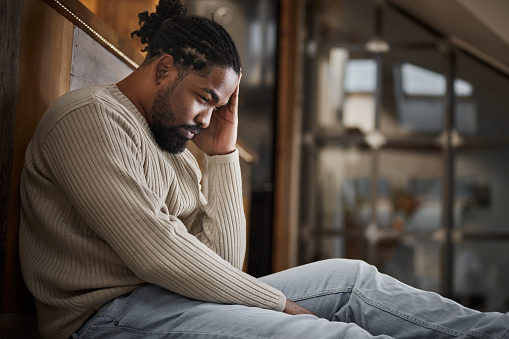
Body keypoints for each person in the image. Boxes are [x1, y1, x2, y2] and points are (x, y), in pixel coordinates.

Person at [18, 1, 508, 338]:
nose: (208, 117)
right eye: (205, 99)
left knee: (354, 280)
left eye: (219, 105)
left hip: (165, 298)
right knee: (328, 334)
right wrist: (275, 304)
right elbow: (158, 254)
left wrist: (223, 153)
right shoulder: (90, 118)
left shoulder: (172, 142)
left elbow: (224, 265)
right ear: (164, 68)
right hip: (104, 319)